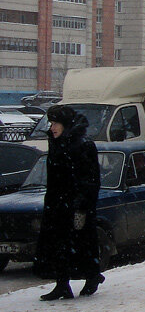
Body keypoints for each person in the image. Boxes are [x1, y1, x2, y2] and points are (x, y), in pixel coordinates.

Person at [34, 105, 105, 300]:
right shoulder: (56, 144)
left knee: (81, 243)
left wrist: (81, 205)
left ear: (65, 124)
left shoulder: (83, 146)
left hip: (75, 206)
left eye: (56, 123)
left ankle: (92, 276)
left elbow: (90, 180)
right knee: (58, 245)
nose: (52, 127)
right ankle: (62, 284)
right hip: (57, 204)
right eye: (51, 123)